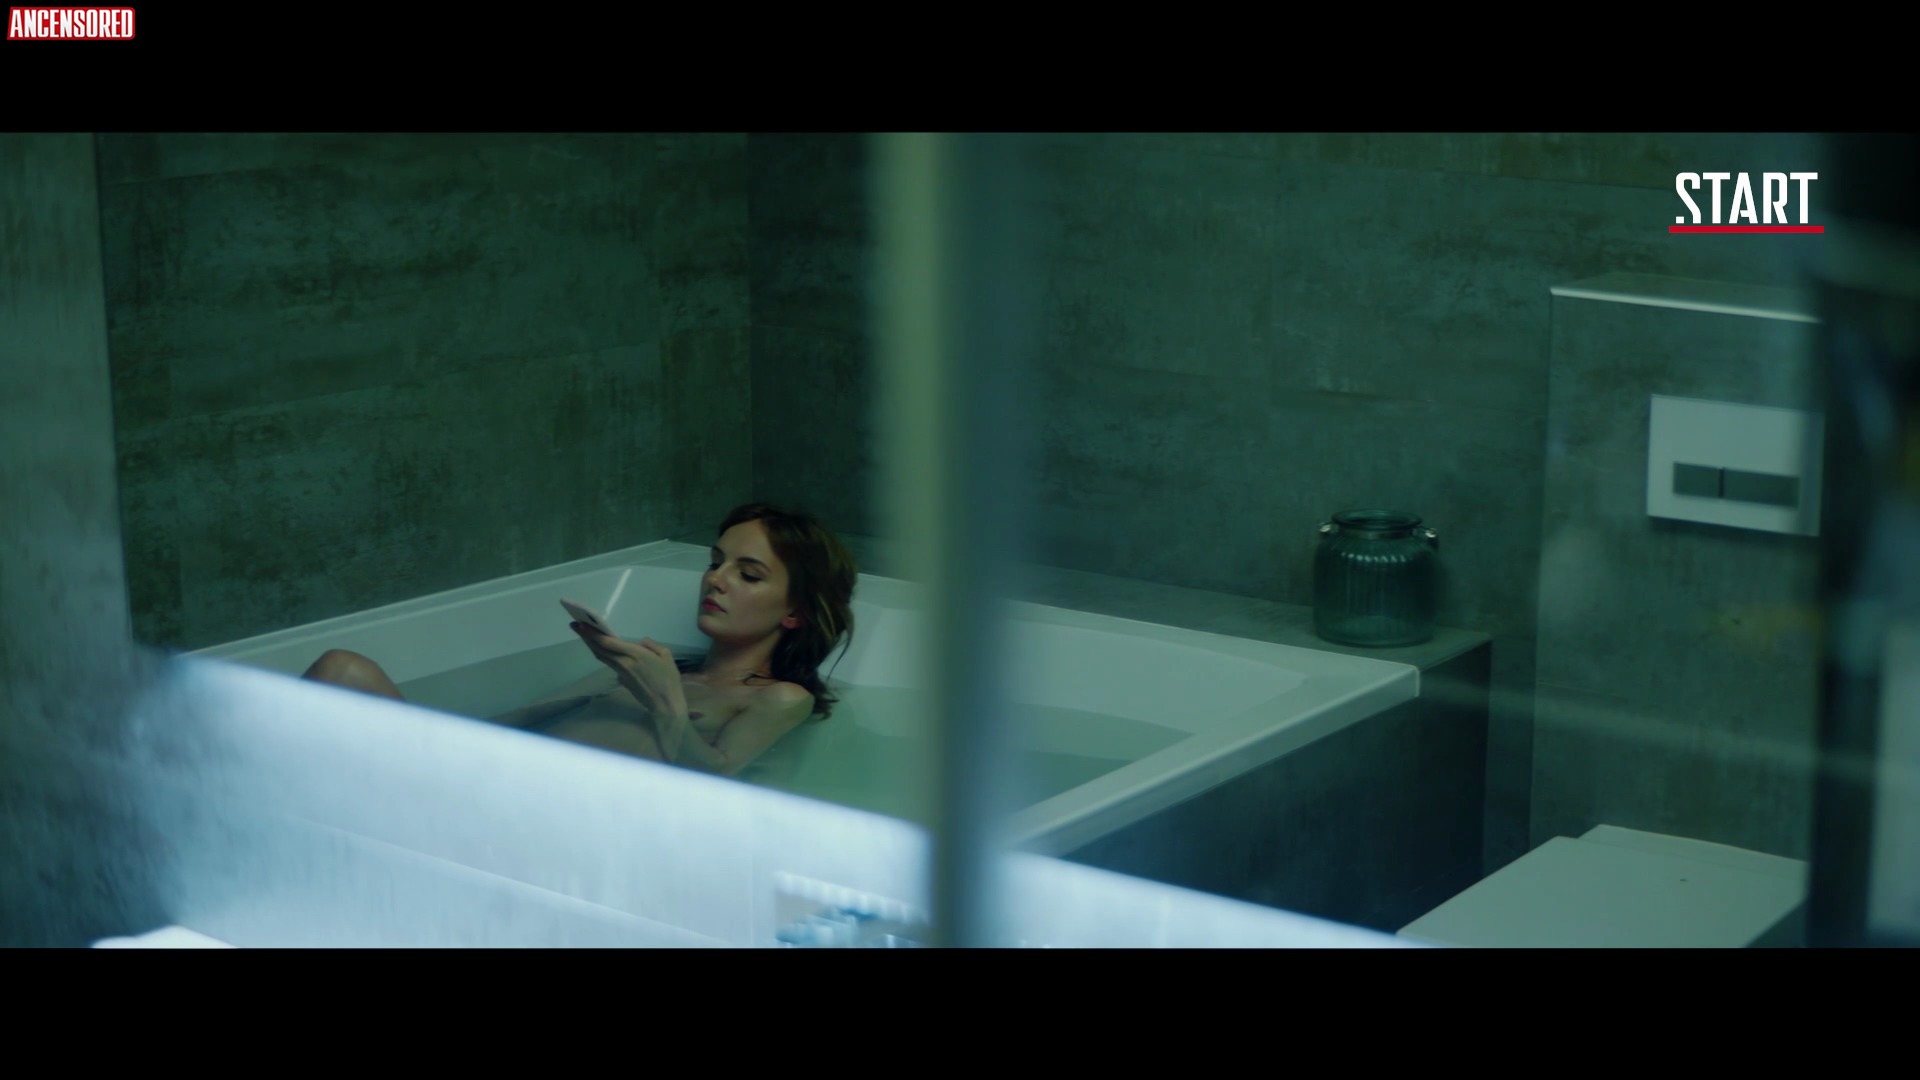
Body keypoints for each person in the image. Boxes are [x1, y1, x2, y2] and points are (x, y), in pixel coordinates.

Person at [300, 503, 857, 777]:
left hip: (540, 821)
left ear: (795, 613)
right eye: (716, 562)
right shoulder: (654, 664)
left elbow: (713, 778)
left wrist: (664, 700)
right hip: (490, 780)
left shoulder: (779, 697)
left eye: (748, 574)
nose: (716, 580)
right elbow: (523, 719)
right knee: (342, 669)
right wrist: (439, 742)